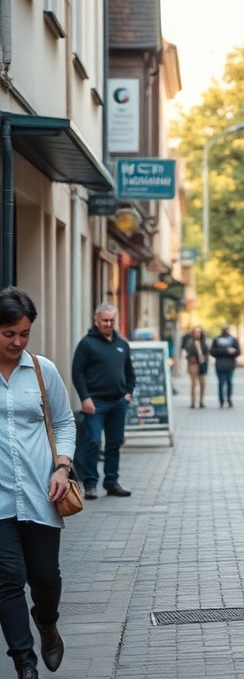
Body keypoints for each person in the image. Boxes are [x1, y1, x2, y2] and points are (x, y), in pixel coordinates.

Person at [0, 287, 75, 678]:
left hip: (41, 493)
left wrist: (62, 467)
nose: (17, 341)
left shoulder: (43, 371)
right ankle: (24, 663)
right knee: (8, 578)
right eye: (8, 333)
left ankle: (47, 622)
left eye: (24, 333)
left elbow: (64, 422)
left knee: (45, 578)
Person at [71, 304, 135, 500]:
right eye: (105, 320)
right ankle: (90, 484)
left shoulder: (122, 344)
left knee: (114, 444)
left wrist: (128, 393)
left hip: (118, 402)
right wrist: (85, 397)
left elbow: (129, 372)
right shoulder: (87, 344)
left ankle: (111, 482)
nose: (109, 324)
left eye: (112, 320)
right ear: (96, 321)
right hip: (95, 403)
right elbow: (77, 373)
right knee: (93, 442)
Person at [209, 325, 241, 408]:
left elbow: (238, 351)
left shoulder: (233, 340)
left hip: (230, 365)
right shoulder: (216, 340)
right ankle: (221, 400)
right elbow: (212, 352)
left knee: (229, 383)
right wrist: (226, 351)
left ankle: (229, 399)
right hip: (220, 365)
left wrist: (233, 352)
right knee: (221, 383)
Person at [181, 326, 210, 409]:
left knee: (203, 384)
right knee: (194, 384)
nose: (198, 334)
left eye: (199, 332)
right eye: (196, 332)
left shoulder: (204, 343)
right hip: (193, 365)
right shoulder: (190, 343)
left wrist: (205, 358)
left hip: (202, 365)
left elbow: (207, 353)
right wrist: (191, 358)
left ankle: (201, 401)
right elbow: (185, 353)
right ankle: (193, 402)